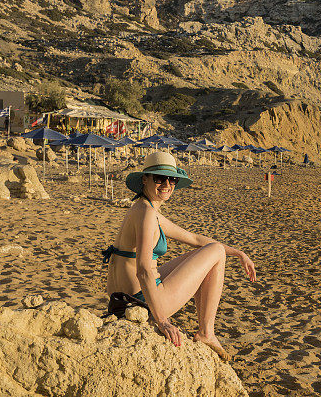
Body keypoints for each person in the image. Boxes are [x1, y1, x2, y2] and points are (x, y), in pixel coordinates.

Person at [103, 151, 256, 360]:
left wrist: (239, 253)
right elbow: (144, 270)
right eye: (159, 178)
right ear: (144, 180)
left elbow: (194, 238)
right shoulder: (147, 215)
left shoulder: (142, 208)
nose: (167, 184)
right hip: (139, 303)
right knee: (217, 252)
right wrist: (162, 321)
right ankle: (206, 333)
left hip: (120, 301)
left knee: (208, 252)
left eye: (172, 179)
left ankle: (206, 332)